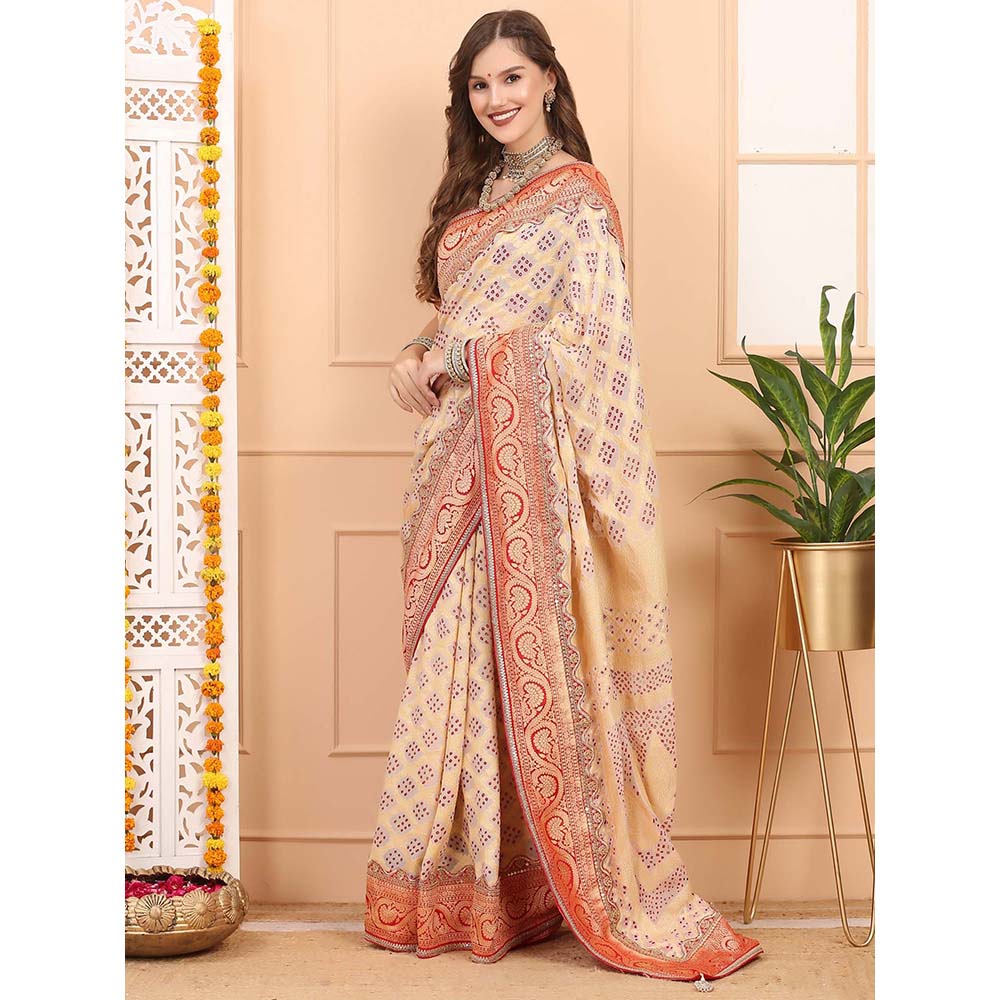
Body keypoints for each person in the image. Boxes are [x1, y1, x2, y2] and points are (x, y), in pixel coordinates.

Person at [365, 9, 763, 984]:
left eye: (511, 77)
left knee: (523, 674)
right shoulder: (471, 198)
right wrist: (417, 352)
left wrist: (465, 356)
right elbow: (454, 323)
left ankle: (553, 890)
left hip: (529, 480)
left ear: (548, 78)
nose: (495, 98)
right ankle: (477, 894)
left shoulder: (578, 198)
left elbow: (594, 343)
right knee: (454, 682)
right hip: (454, 465)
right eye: (479, 84)